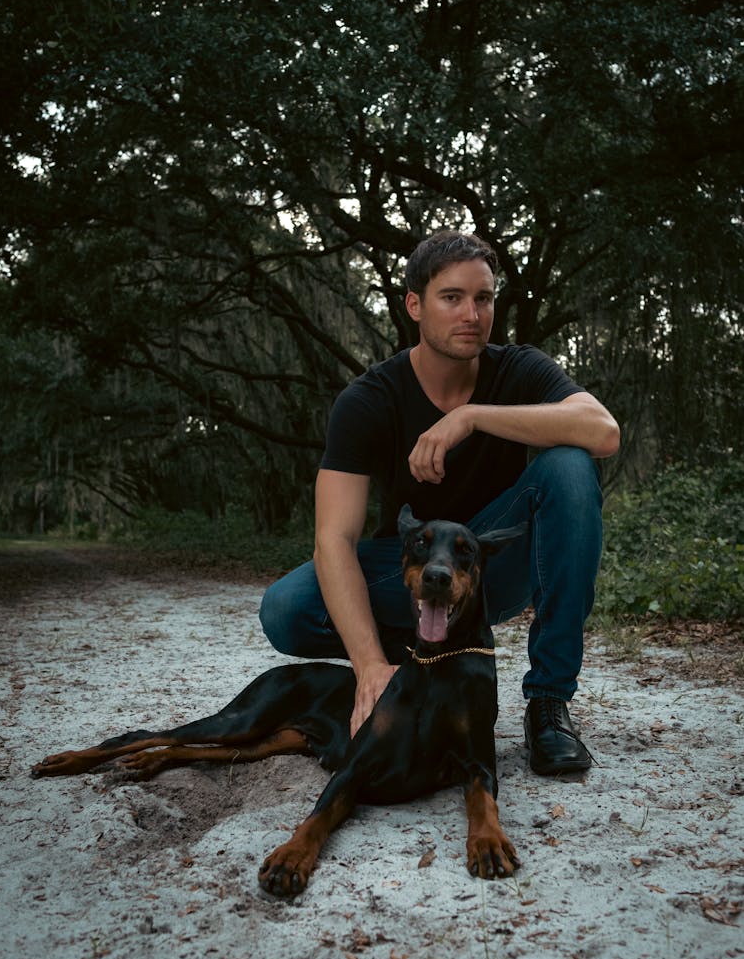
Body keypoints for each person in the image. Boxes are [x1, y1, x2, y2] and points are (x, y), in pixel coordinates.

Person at [260, 229, 620, 775]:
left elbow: (603, 431)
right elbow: (333, 539)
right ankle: (412, 664)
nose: (471, 314)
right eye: (452, 298)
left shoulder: (517, 369)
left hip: (488, 568)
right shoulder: (369, 399)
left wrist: (471, 417)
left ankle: (548, 703)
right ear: (414, 305)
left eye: (484, 298)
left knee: (570, 465)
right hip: (411, 572)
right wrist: (368, 669)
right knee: (286, 609)